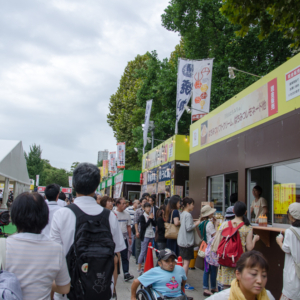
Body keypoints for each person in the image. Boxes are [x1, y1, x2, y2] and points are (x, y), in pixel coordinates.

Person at [50, 163, 125, 299]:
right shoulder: (110, 217)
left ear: (73, 185)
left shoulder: (61, 214)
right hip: (101, 291)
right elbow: (116, 258)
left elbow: (54, 257)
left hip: (68, 293)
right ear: (97, 186)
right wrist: (112, 290)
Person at [7, 192, 70, 299]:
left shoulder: (4, 246)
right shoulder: (56, 249)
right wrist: (44, 283)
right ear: (45, 216)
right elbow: (64, 288)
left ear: (14, 215)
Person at [217, 201, 260, 291]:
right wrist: (255, 239)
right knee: (237, 286)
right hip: (239, 260)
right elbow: (249, 248)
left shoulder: (224, 224)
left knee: (226, 287)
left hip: (226, 259)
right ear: (245, 212)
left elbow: (219, 242)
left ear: (233, 210)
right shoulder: (247, 228)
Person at [206, 250, 275, 300]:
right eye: (254, 274)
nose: (259, 281)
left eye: (264, 275)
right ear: (238, 274)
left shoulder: (268, 296)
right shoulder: (221, 298)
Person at [276, 202, 300, 300]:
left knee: (289, 295)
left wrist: (279, 241)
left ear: (291, 216)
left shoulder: (290, 231)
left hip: (293, 270)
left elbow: (286, 249)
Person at [99, 195, 120, 299]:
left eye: (112, 201)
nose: (111, 203)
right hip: (105, 247)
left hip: (111, 246)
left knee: (115, 265)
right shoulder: (104, 214)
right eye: (109, 201)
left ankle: (113, 288)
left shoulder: (113, 214)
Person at [177, 198, 200, 291]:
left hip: (181, 241)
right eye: (192, 204)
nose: (193, 206)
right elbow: (189, 228)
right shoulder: (188, 215)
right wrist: (197, 222)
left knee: (182, 262)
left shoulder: (182, 213)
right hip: (187, 242)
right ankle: (184, 283)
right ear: (188, 204)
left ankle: (181, 281)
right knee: (186, 263)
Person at [199, 205, 218, 296]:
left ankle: (208, 287)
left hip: (205, 246)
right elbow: (215, 235)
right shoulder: (209, 224)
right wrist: (217, 225)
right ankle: (209, 287)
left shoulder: (202, 223)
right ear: (209, 213)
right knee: (212, 268)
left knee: (207, 268)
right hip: (210, 248)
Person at [115, 197, 134, 281]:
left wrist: (129, 237)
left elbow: (128, 226)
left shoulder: (127, 214)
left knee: (125, 255)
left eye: (125, 203)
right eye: (123, 203)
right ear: (118, 205)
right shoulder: (113, 213)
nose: (125, 205)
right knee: (115, 256)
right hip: (115, 238)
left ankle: (126, 273)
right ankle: (115, 271)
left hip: (124, 237)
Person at [137, 202, 156, 274]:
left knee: (149, 252)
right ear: (144, 208)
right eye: (147, 207)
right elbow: (143, 226)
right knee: (143, 251)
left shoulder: (150, 215)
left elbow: (154, 224)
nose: (148, 208)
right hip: (145, 235)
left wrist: (152, 218)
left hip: (151, 235)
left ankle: (146, 267)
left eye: (149, 207)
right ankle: (139, 267)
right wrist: (150, 219)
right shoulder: (142, 216)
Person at [134, 197, 148, 264]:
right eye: (144, 202)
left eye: (146, 201)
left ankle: (144, 261)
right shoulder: (138, 211)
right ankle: (138, 261)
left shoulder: (148, 211)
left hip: (147, 232)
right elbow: (136, 222)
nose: (145, 203)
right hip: (140, 231)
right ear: (141, 203)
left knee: (145, 247)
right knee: (138, 247)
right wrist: (137, 231)